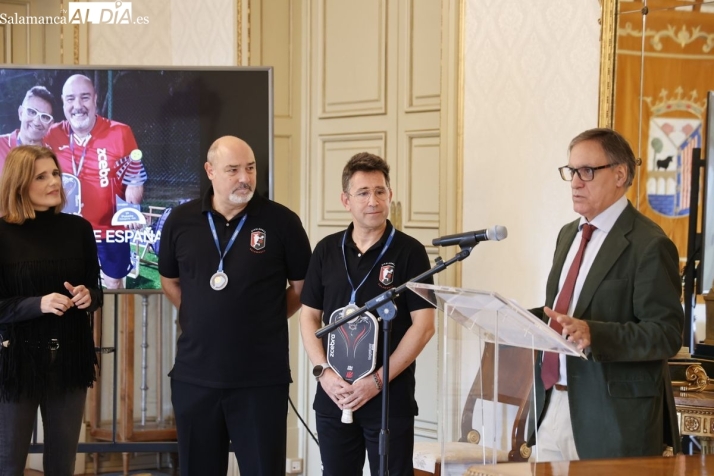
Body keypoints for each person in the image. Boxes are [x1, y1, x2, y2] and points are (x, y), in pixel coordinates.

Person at [158, 136, 312, 476]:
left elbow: (302, 288)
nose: (245, 178)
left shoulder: (282, 222)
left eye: (251, 168)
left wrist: (265, 316)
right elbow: (168, 280)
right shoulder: (181, 220)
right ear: (210, 171)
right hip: (195, 377)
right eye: (233, 170)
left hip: (260, 380)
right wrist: (199, 312)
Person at [530, 128, 684, 461]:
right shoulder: (568, 234)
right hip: (552, 404)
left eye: (586, 171)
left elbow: (667, 334)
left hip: (612, 418)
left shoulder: (649, 244)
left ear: (619, 174)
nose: (575, 182)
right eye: (571, 171)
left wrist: (595, 333)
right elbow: (564, 311)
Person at [300, 152, 436, 475]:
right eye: (363, 193)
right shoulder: (325, 250)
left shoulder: (411, 252)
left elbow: (425, 326)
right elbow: (308, 317)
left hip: (388, 398)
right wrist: (324, 373)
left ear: (390, 195)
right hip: (334, 395)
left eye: (380, 191)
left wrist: (376, 382)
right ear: (345, 200)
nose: (373, 200)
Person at [0, 146, 102, 474]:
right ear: (19, 183)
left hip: (70, 359)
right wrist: (38, 304)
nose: (54, 182)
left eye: (55, 173)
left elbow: (95, 290)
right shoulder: (2, 233)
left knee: (62, 463)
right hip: (16, 362)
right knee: (8, 461)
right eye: (41, 176)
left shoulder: (79, 229)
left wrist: (89, 295)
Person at [45, 74, 147, 289]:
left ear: (95, 99)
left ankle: (107, 321)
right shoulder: (50, 135)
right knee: (65, 285)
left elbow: (134, 177)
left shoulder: (121, 132)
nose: (78, 105)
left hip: (110, 229)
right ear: (63, 102)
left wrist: (132, 206)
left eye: (84, 97)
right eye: (70, 99)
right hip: (66, 229)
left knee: (113, 282)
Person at [0, 86, 55, 169]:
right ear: (21, 113)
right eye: (32, 112)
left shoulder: (54, 154)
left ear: (50, 124)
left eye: (44, 117)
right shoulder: (1, 145)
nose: (37, 122)